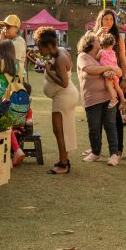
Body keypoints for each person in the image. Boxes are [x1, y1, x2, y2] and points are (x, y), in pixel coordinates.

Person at [36, 27, 78, 175]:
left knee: (58, 130)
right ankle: (64, 158)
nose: (39, 50)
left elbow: (64, 82)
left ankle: (64, 163)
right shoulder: (60, 51)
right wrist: (50, 67)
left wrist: (48, 72)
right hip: (66, 95)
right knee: (62, 129)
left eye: (40, 47)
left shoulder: (60, 57)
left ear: (48, 46)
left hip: (64, 95)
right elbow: (64, 69)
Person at [77, 32, 122, 166]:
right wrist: (109, 67)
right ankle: (95, 152)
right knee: (94, 127)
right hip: (92, 98)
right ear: (89, 45)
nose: (100, 45)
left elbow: (118, 71)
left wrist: (115, 70)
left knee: (110, 125)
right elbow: (90, 70)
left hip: (108, 97)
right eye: (97, 44)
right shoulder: (82, 56)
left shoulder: (103, 56)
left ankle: (114, 154)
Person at [93, 9, 126, 155]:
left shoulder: (118, 38)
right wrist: (96, 36)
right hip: (97, 77)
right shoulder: (94, 35)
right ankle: (96, 149)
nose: (108, 22)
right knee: (98, 114)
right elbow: (86, 53)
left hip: (114, 76)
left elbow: (122, 59)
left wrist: (125, 78)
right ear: (100, 20)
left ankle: (118, 149)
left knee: (114, 115)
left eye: (110, 19)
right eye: (105, 19)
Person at [0, 39, 28, 167]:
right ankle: (15, 151)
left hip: (3, 103)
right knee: (8, 126)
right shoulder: (19, 66)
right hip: (19, 106)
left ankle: (11, 155)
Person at [97, 32, 126, 109]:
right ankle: (122, 99)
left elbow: (96, 58)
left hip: (108, 71)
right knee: (117, 86)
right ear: (112, 44)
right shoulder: (113, 52)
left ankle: (113, 99)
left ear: (102, 43)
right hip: (115, 72)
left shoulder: (101, 51)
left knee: (109, 85)